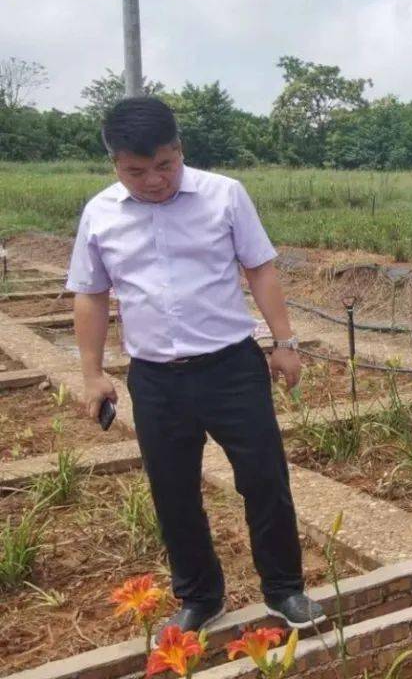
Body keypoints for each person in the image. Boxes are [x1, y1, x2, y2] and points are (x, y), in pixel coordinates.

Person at [67, 97, 325, 634]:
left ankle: (284, 590)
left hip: (231, 367)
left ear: (179, 149)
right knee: (174, 491)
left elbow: (260, 268)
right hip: (156, 377)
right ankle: (201, 598)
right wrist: (92, 373)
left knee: (264, 481)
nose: (155, 180)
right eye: (137, 171)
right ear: (114, 162)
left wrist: (285, 341)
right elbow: (90, 295)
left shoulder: (223, 194)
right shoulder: (100, 213)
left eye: (165, 165)